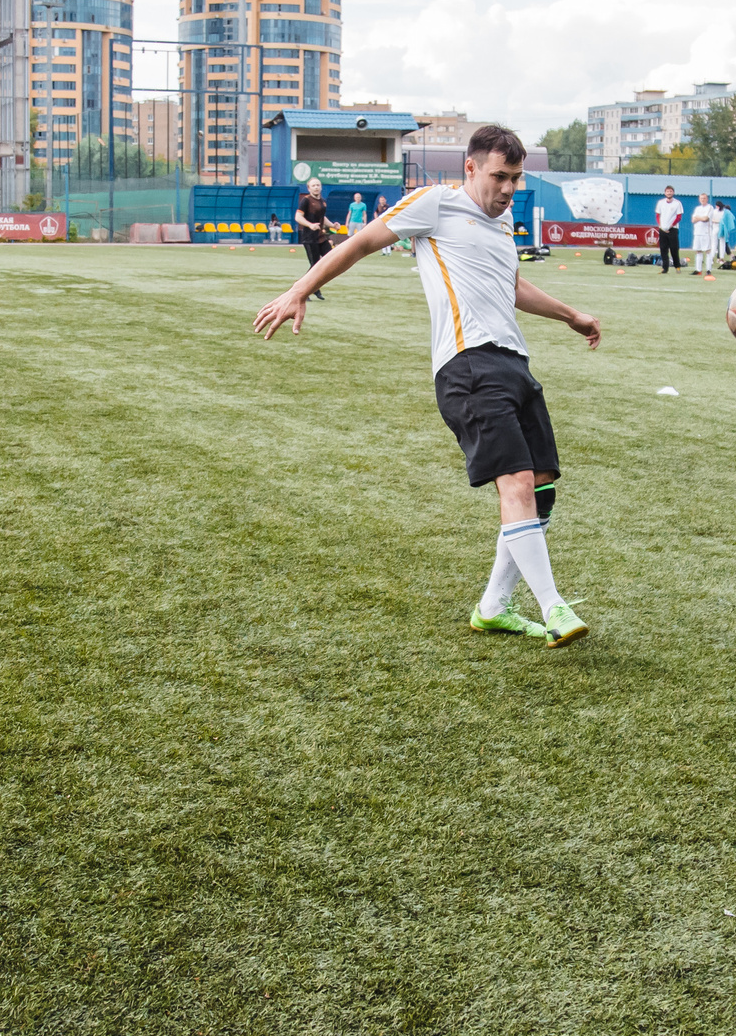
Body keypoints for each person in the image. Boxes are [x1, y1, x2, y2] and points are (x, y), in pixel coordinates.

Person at [254, 124, 601, 646]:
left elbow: (510, 286)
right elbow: (361, 244)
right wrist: (300, 289)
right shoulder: (434, 204)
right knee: (515, 484)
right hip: (467, 367)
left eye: (516, 178)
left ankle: (493, 607)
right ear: (470, 168)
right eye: (499, 177)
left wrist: (570, 314)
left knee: (542, 488)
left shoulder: (503, 228)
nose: (508, 189)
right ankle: (553, 608)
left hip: (514, 363)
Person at [295, 179, 331, 300]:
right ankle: (302, 290)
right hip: (310, 238)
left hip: (321, 237)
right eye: (313, 185)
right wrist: (310, 225)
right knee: (315, 265)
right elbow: (298, 217)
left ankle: (314, 288)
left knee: (330, 258)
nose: (316, 187)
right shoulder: (306, 200)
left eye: (318, 185)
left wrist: (332, 225)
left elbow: (322, 218)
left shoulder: (323, 202)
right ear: (309, 188)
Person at [653, 185, 683, 273]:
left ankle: (677, 267)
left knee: (674, 249)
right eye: (667, 191)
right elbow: (658, 215)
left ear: (673, 192)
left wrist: (670, 226)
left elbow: (679, 217)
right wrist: (661, 226)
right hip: (662, 229)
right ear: (665, 192)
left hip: (673, 229)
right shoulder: (660, 202)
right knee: (663, 249)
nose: (669, 193)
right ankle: (665, 268)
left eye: (670, 191)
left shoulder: (677, 203)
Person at [689, 193, 719, 277]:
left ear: (707, 199)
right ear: (699, 199)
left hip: (706, 232)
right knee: (698, 251)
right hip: (697, 232)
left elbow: (706, 219)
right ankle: (698, 270)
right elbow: (693, 220)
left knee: (707, 251)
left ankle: (708, 270)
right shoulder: (697, 208)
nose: (703, 200)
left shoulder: (710, 207)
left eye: (704, 198)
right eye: (701, 198)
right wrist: (699, 218)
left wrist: (698, 218)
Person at [716, 201, 736, 270]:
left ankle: (721, 257)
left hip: (720, 231)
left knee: (722, 244)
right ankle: (727, 255)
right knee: (723, 244)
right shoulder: (726, 214)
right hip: (723, 231)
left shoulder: (723, 213)